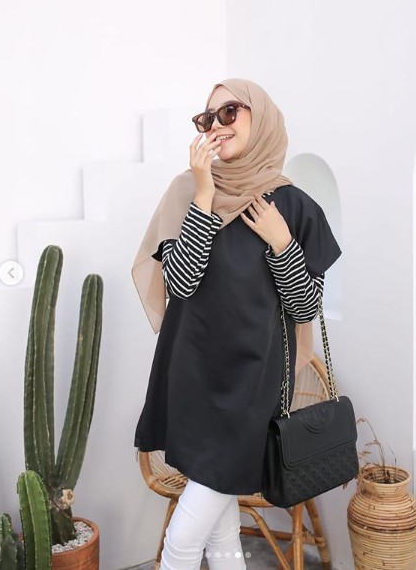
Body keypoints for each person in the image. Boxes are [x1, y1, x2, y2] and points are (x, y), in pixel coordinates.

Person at [132, 78, 342, 569]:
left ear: (260, 117)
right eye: (206, 118)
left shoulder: (294, 206)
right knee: (221, 534)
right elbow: (181, 285)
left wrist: (282, 244)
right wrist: (204, 194)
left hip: (253, 385)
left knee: (183, 540)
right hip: (191, 374)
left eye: (229, 112)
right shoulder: (187, 190)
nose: (216, 125)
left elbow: (304, 307)